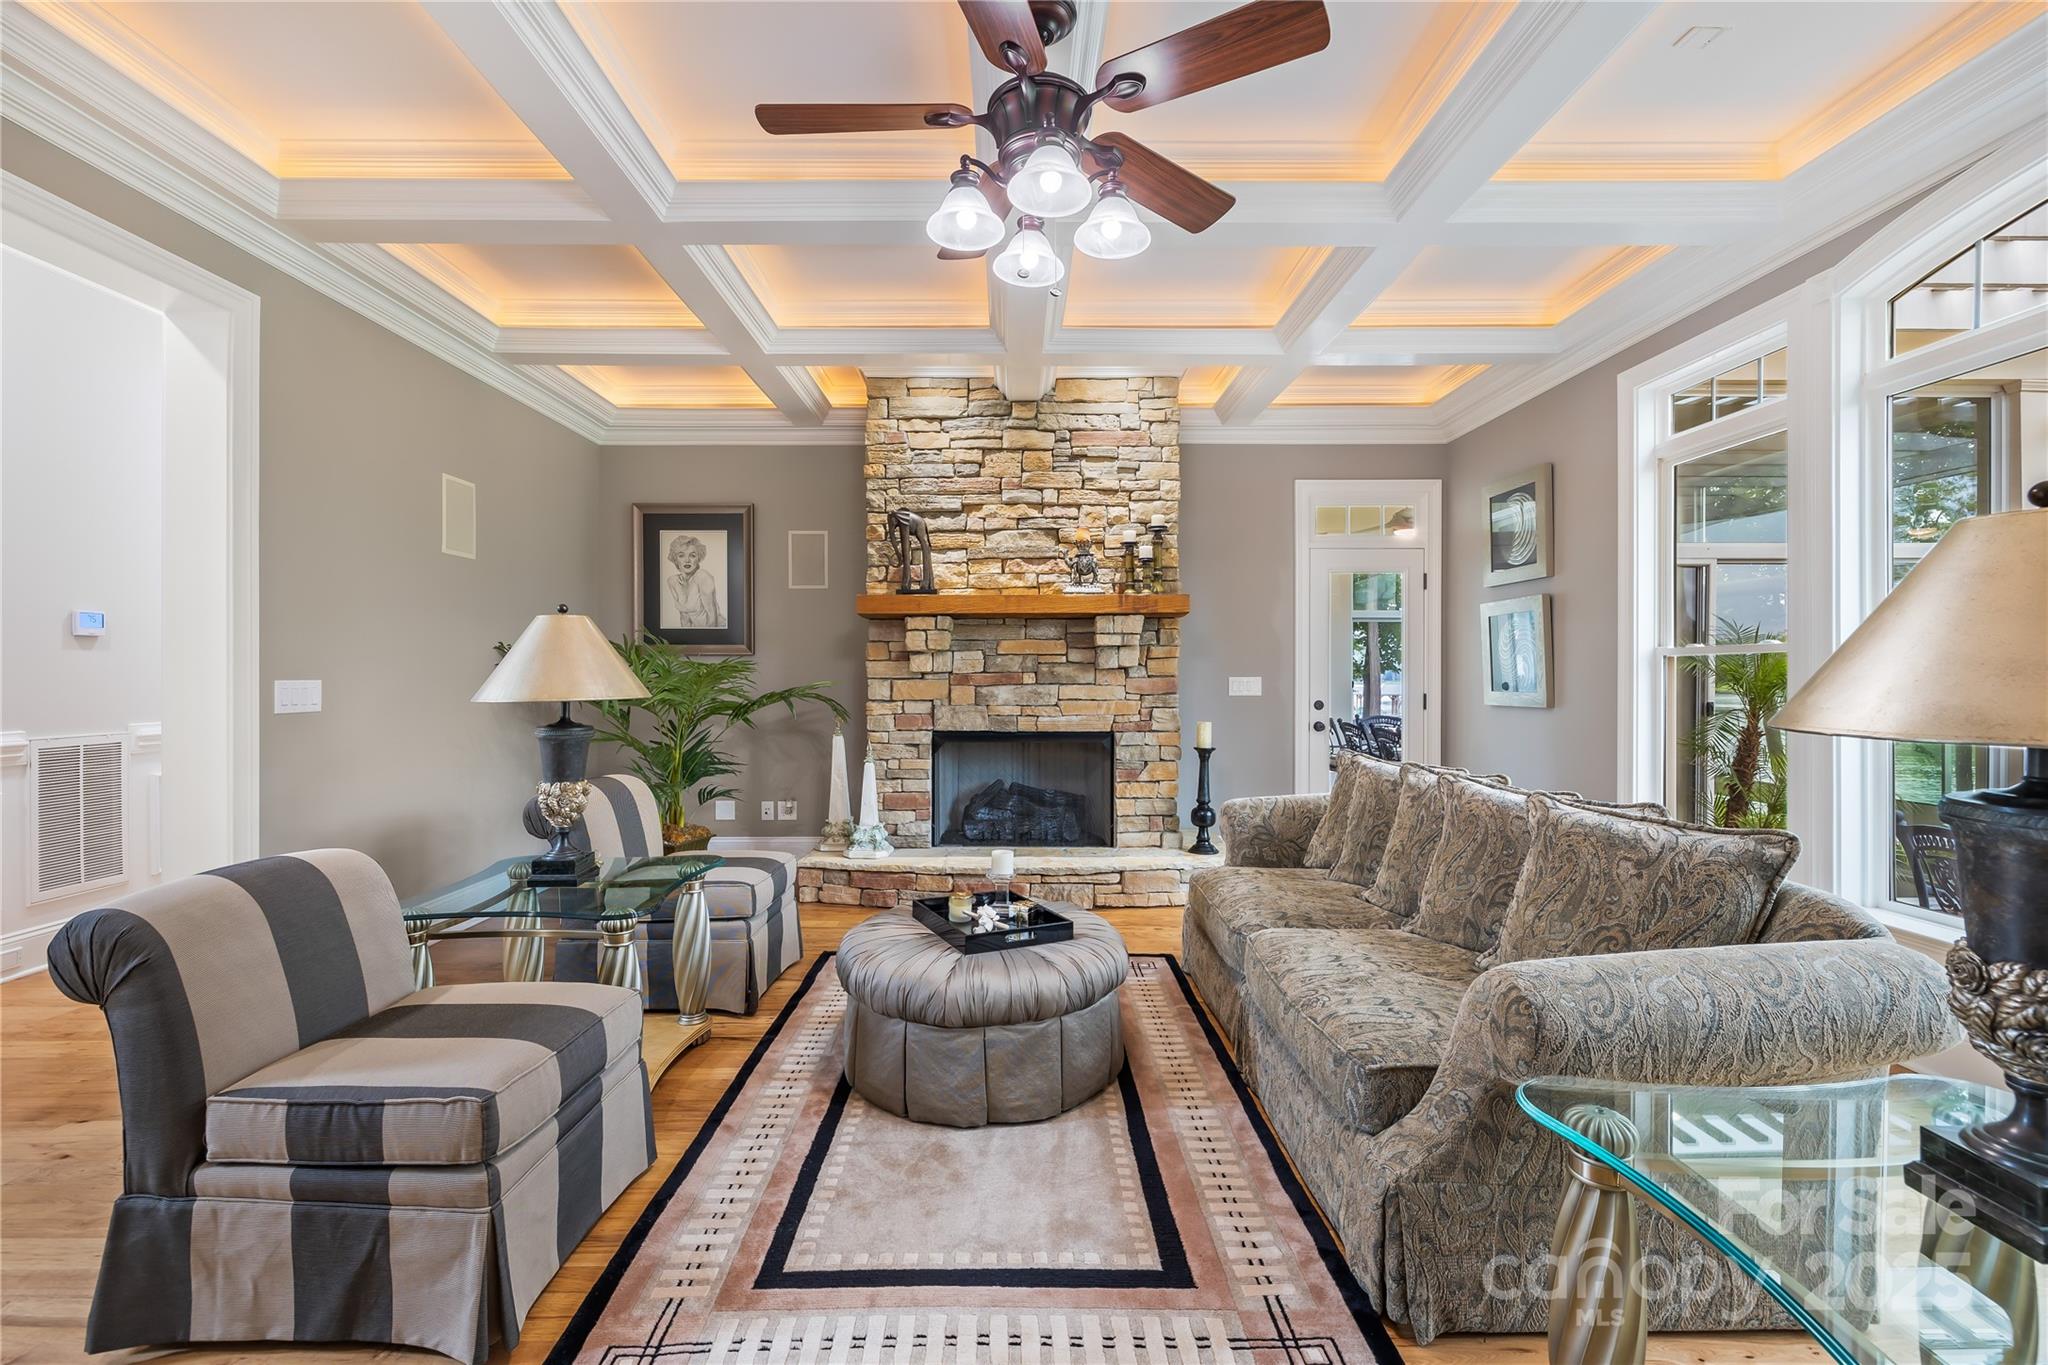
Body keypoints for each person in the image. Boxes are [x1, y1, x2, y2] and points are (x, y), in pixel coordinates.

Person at [664, 534, 724, 628]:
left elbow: (713, 617)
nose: (687, 560)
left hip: (715, 630)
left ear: (698, 558)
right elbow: (684, 617)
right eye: (681, 555)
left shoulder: (703, 577)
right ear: (675, 559)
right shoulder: (672, 581)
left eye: (692, 555)